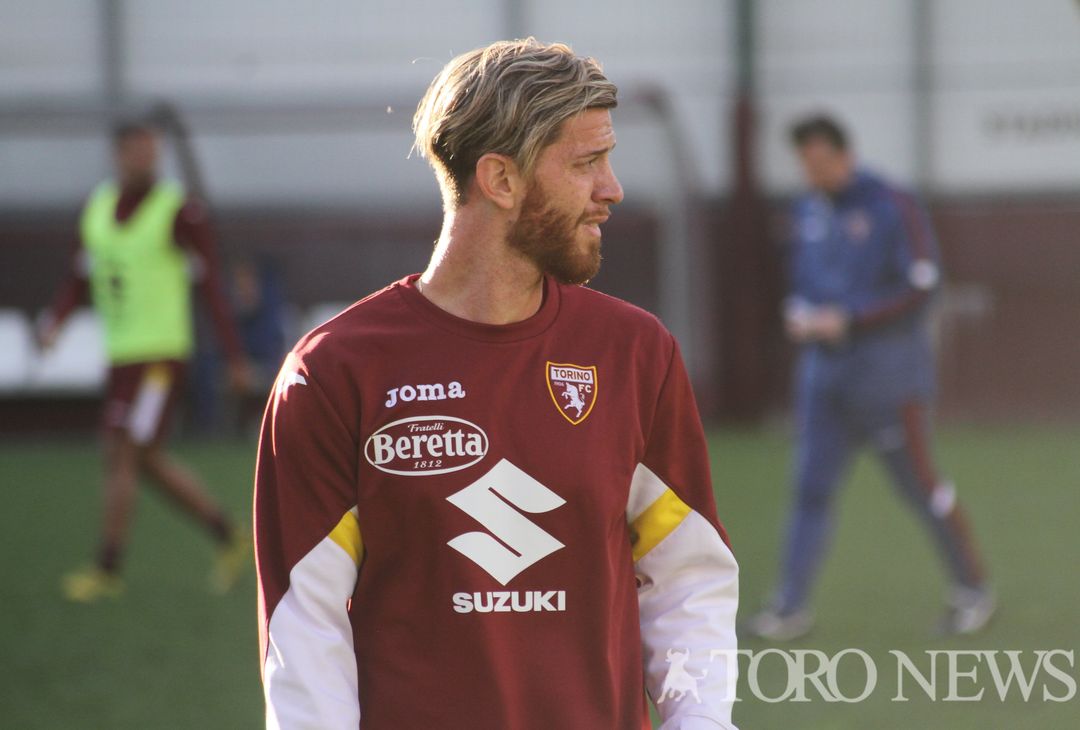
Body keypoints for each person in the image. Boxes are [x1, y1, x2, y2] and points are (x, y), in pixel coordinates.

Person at [255, 39, 739, 729]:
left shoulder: (635, 353)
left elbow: (687, 580)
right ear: (500, 180)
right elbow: (305, 642)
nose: (613, 189)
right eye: (586, 163)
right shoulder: (332, 374)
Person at [744, 115, 993, 641]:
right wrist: (802, 312)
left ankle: (972, 589)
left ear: (842, 155)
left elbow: (922, 286)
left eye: (818, 162)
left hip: (888, 381)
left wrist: (851, 318)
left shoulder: (891, 204)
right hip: (823, 379)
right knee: (810, 489)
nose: (811, 173)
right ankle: (790, 606)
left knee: (920, 489)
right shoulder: (808, 209)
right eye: (803, 164)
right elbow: (804, 280)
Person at [38, 120, 252, 602]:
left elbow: (211, 285)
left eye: (152, 151)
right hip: (121, 357)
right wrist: (56, 321)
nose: (146, 159)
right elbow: (80, 275)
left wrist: (233, 354)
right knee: (145, 459)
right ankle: (227, 533)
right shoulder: (96, 209)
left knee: (120, 451)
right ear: (117, 155)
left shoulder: (177, 211)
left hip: (160, 358)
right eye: (136, 151)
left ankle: (107, 567)